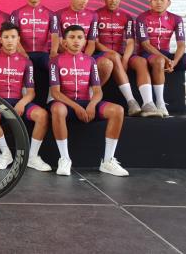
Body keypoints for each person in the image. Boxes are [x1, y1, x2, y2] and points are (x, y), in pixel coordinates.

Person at [49, 25, 128, 176]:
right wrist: (76, 107)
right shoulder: (55, 61)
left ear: (85, 41)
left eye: (80, 37)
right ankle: (64, 159)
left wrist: (92, 104)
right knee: (57, 109)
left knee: (117, 110)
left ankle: (108, 161)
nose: (76, 41)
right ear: (64, 42)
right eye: (72, 37)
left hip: (87, 102)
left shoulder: (90, 60)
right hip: (66, 103)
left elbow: (98, 91)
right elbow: (55, 93)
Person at [0, 22, 51, 171]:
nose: (9, 40)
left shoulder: (26, 62)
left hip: (19, 100)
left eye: (13, 37)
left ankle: (32, 157)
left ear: (18, 39)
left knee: (43, 115)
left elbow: (31, 92)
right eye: (6, 37)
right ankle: (5, 154)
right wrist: (3, 105)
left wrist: (21, 103)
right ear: (0, 39)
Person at [137, 0, 186, 117]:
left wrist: (174, 61)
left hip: (167, 55)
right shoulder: (142, 18)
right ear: (150, 2)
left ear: (169, 2)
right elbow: (145, 44)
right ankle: (160, 103)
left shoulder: (176, 19)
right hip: (147, 55)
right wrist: (165, 59)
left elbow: (181, 45)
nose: (158, 2)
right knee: (159, 60)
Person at [96, 0, 161, 117]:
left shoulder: (127, 17)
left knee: (141, 62)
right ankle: (131, 102)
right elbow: (95, 42)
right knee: (114, 57)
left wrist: (125, 59)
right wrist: (112, 53)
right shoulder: (95, 15)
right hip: (104, 53)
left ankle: (148, 103)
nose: (113, 0)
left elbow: (131, 42)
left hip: (122, 54)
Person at [56, 0, 113, 87]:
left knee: (107, 64)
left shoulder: (93, 15)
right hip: (65, 55)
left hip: (86, 55)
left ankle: (91, 93)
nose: (84, 1)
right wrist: (73, 56)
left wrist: (83, 59)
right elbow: (59, 43)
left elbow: (91, 43)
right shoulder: (58, 15)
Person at [10, 0, 59, 71]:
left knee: (46, 75)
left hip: (43, 55)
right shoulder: (16, 14)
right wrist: (22, 53)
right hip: (23, 53)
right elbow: (13, 36)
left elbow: (55, 35)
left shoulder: (51, 14)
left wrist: (53, 52)